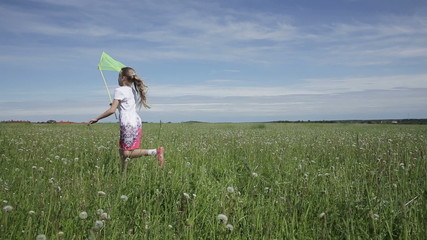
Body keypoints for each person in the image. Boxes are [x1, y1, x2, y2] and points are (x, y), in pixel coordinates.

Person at [88, 67, 164, 170]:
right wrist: (116, 104)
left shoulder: (119, 90)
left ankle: (155, 151)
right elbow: (126, 104)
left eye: (119, 77)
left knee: (127, 153)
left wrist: (97, 118)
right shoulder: (131, 90)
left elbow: (112, 110)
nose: (118, 79)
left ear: (123, 78)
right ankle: (123, 173)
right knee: (122, 150)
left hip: (128, 124)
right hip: (135, 122)